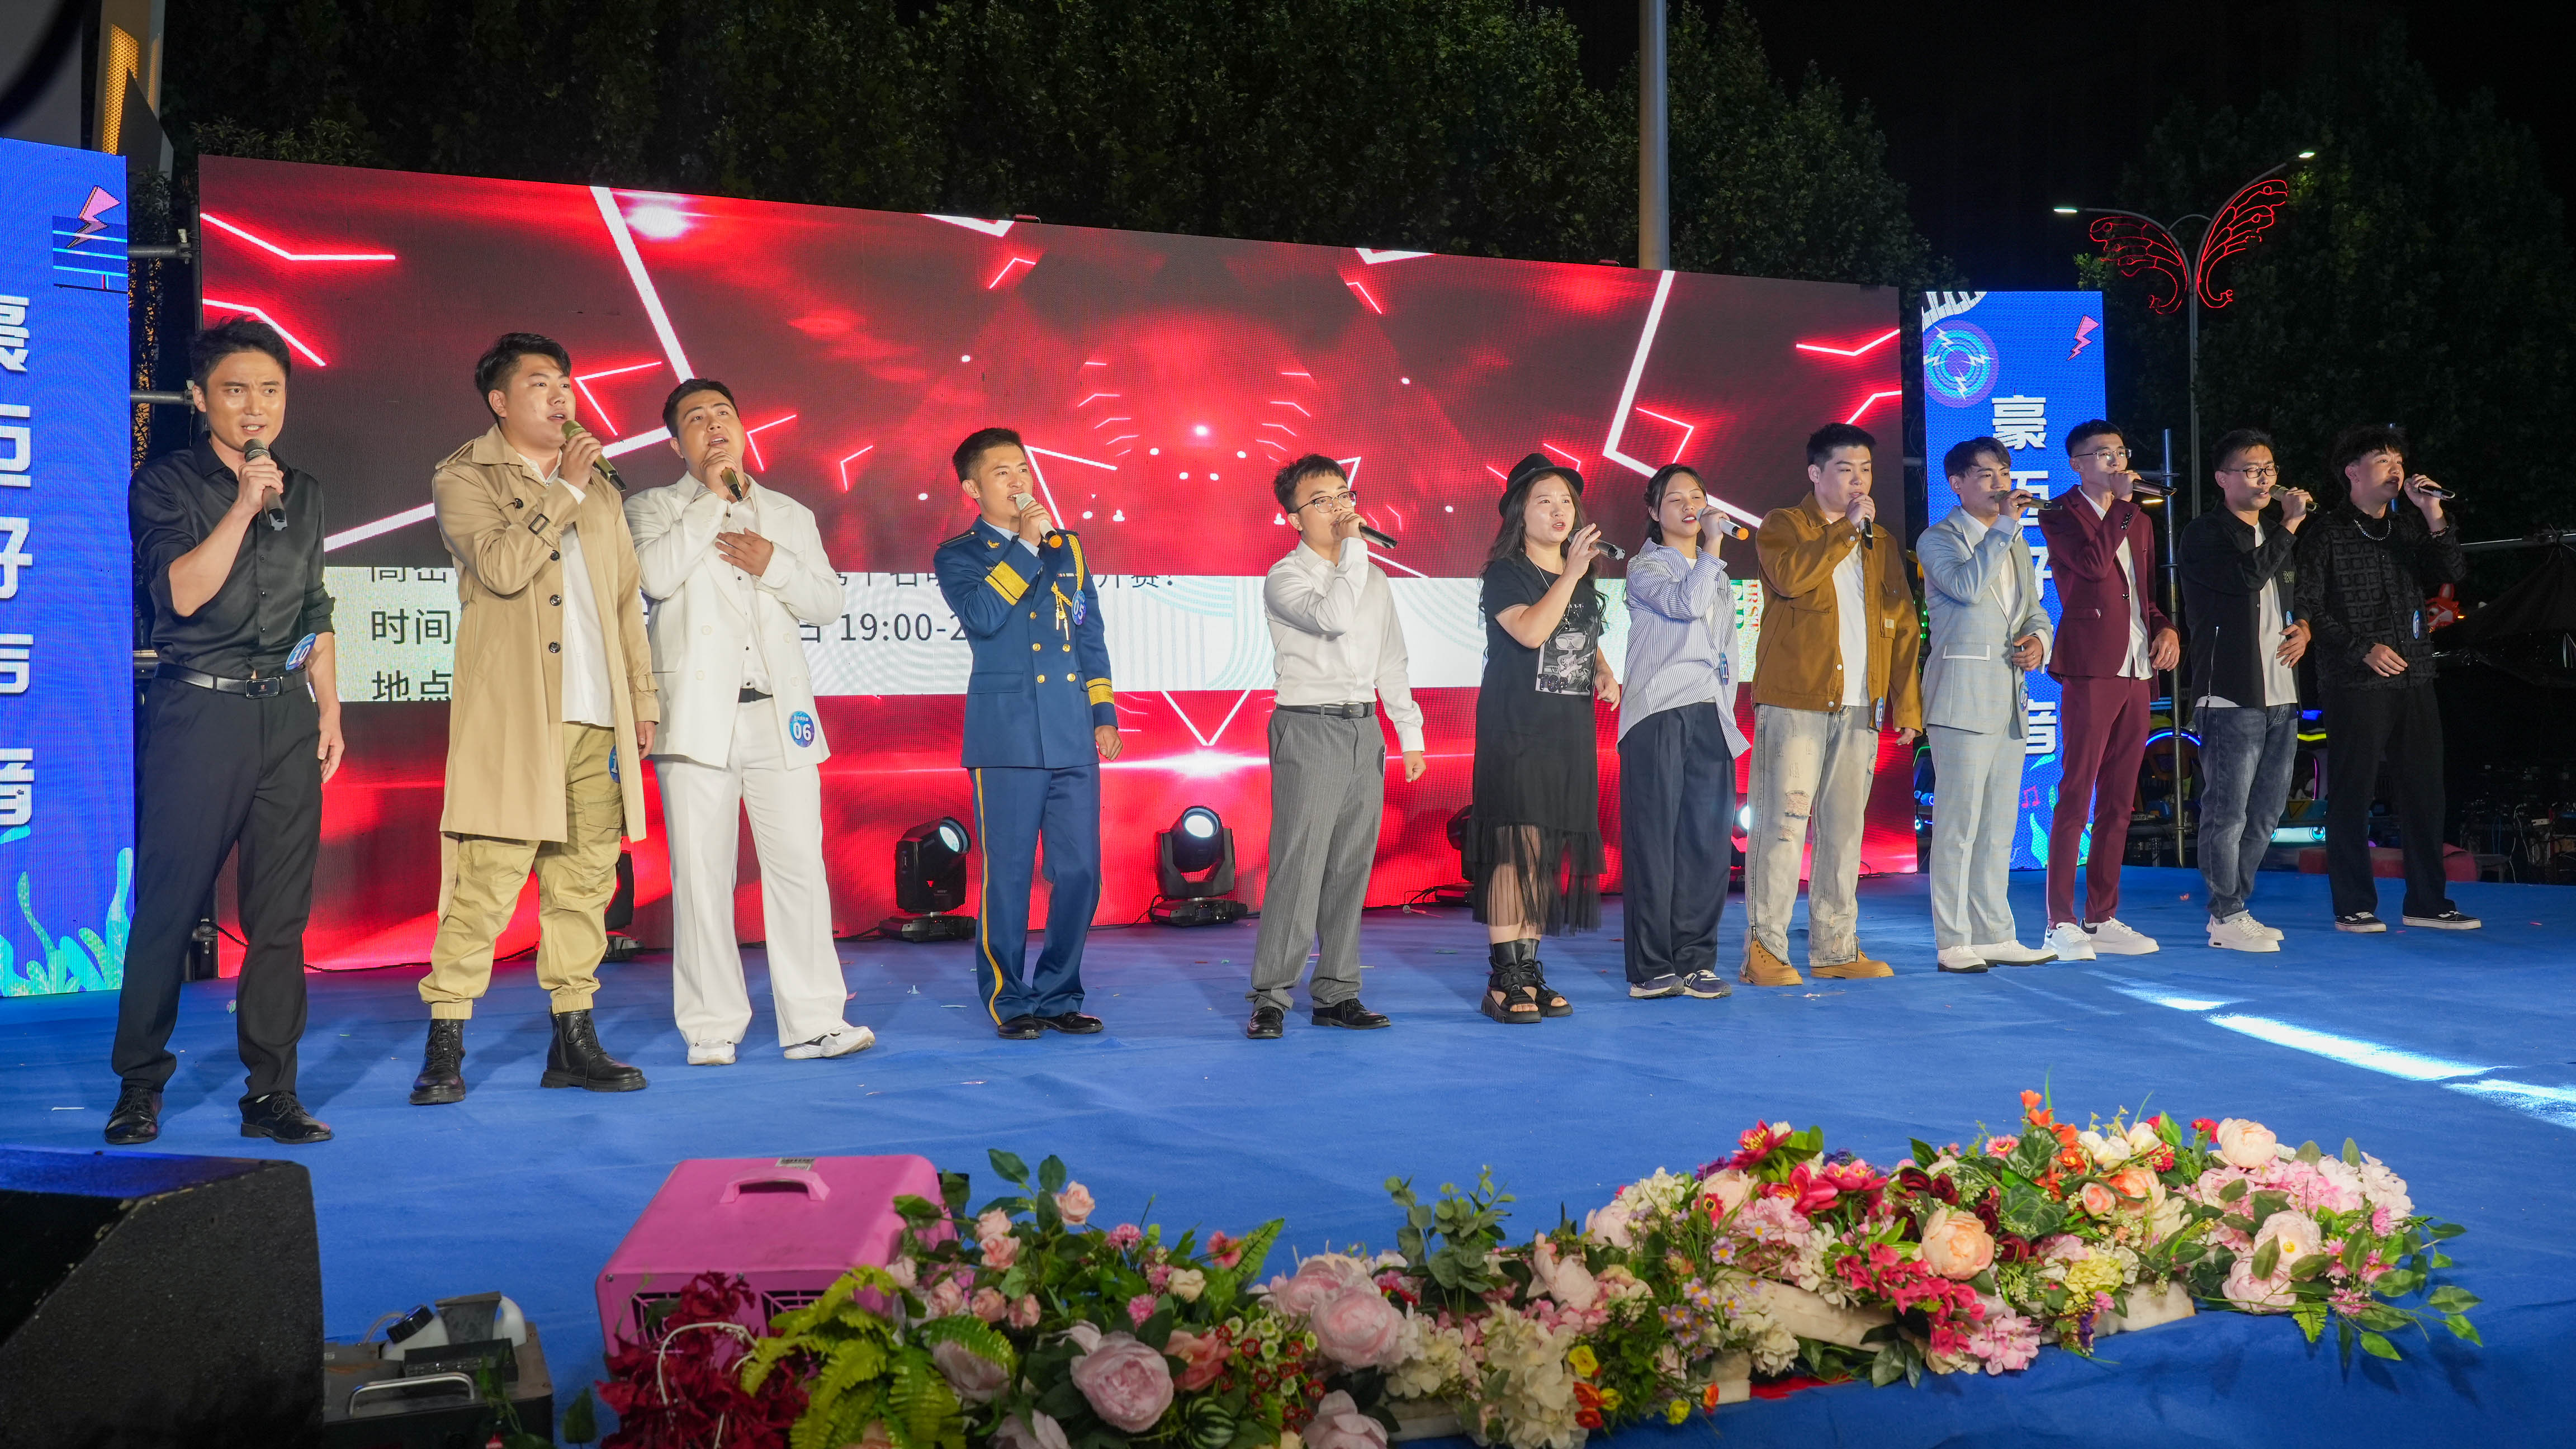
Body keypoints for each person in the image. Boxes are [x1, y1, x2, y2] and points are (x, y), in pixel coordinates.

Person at [108, 319, 344, 1147]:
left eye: (270, 391)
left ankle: (271, 1092)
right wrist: (244, 505)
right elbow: (179, 592)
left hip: (286, 716)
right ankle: (139, 1085)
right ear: (199, 398)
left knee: (280, 918)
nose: (255, 407)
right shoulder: (165, 483)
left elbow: (314, 606)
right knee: (170, 908)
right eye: (236, 390)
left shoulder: (305, 491)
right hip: (198, 714)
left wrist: (329, 705)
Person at [409, 334, 660, 1105]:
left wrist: (642, 700)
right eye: (541, 384)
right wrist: (564, 494)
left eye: (566, 384)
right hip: (516, 721)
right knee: (484, 885)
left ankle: (573, 1040)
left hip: (598, 718)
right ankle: (446, 1042)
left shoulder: (603, 485)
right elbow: (502, 567)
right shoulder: (465, 476)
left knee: (584, 885)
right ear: (500, 401)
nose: (561, 398)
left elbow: (625, 602)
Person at [627, 380, 873, 1063]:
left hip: (778, 717)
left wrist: (775, 564)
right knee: (701, 877)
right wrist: (713, 503)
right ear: (676, 443)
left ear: (743, 428)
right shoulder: (652, 509)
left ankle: (815, 1021)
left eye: (724, 414)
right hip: (695, 720)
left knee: (798, 870)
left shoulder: (789, 514)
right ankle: (711, 1026)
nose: (714, 426)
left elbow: (826, 603)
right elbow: (655, 577)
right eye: (696, 419)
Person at [933, 428, 1120, 1039]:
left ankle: (1059, 993)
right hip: (1007, 736)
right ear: (972, 489)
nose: (1018, 482)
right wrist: (1025, 547)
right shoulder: (959, 555)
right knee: (1008, 876)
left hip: (1070, 730)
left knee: (1081, 872)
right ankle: (1008, 1000)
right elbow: (984, 618)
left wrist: (1103, 713)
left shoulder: (1069, 548)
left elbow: (1088, 632)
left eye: (1022, 469)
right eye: (1002, 473)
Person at [1243, 455, 1425, 1039]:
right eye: (1321, 500)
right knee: (1300, 863)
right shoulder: (1285, 577)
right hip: (1309, 726)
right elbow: (1334, 619)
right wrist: (1355, 551)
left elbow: (1391, 659)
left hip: (1363, 728)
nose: (1339, 507)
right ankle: (1272, 995)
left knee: (1351, 864)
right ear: (1295, 518)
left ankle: (1338, 992)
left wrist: (1409, 732)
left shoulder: (1373, 578)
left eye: (1344, 495)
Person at [1739, 424, 1921, 985]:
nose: (1859, 480)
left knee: (1844, 831)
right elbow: (1790, 579)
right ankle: (1765, 950)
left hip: (1861, 704)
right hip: (1796, 701)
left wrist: (1906, 702)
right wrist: (1845, 529)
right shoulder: (1784, 525)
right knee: (1783, 825)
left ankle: (1836, 947)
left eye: (1866, 469)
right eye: (1846, 469)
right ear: (1816, 473)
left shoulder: (1880, 540)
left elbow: (1904, 623)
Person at [2293, 424, 2478, 933]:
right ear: (2352, 472)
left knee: (2425, 792)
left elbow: (2453, 570)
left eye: (2399, 461)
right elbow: (2307, 606)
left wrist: (2433, 511)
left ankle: (2427, 902)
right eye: (2383, 461)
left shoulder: (2406, 529)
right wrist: (2362, 649)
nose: (2396, 470)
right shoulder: (2327, 532)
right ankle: (2353, 904)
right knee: (2352, 793)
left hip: (2415, 672)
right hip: (2356, 679)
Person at [1468, 454, 1617, 1023]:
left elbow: (1578, 633)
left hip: (1567, 730)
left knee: (1545, 852)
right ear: (1519, 513)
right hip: (1517, 728)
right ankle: (1503, 976)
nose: (1559, 511)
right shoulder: (1505, 573)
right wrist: (1572, 574)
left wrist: (1603, 669)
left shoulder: (1576, 576)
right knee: (1515, 850)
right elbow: (1531, 631)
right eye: (1545, 501)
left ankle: (1528, 969)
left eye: (1566, 502)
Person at [2034, 420, 2179, 962]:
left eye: (2120, 451)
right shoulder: (2059, 513)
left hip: (2137, 666)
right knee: (2077, 791)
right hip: (2091, 664)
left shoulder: (2138, 520)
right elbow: (2093, 567)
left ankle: (2101, 915)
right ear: (2076, 464)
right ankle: (2059, 919)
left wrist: (2166, 628)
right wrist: (2121, 506)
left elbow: (2145, 596)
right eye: (2102, 454)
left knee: (2120, 799)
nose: (2116, 461)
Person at [1917, 438, 2057, 974]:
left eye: (2004, 473)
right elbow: (1966, 588)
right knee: (1959, 825)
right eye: (1986, 475)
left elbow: (2034, 609)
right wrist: (2003, 528)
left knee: (2000, 825)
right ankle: (1953, 939)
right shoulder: (1939, 539)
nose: (2001, 484)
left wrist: (2040, 641)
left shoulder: (2014, 542)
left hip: (2011, 698)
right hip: (1961, 698)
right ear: (1957, 484)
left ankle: (1995, 933)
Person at [1616, 463, 1748, 1000]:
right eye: (1676, 499)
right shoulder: (1645, 567)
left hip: (1709, 711)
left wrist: (1727, 706)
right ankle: (1651, 967)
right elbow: (1685, 606)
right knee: (1654, 842)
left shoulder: (1716, 573)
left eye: (1698, 496)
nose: (1691, 507)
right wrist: (1713, 549)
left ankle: (1696, 961)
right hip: (1656, 711)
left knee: (1707, 843)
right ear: (1654, 512)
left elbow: (1727, 645)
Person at [2179, 429, 2313, 953]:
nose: (2264, 479)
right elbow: (2246, 579)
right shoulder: (2205, 533)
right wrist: (2291, 524)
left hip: (2282, 693)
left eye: (2270, 469)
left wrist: (2305, 627)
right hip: (2231, 693)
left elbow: (2296, 595)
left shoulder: (2276, 534)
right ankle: (2225, 912)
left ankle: (2238, 908)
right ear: (2223, 478)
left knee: (2266, 813)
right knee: (2227, 812)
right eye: (2252, 470)